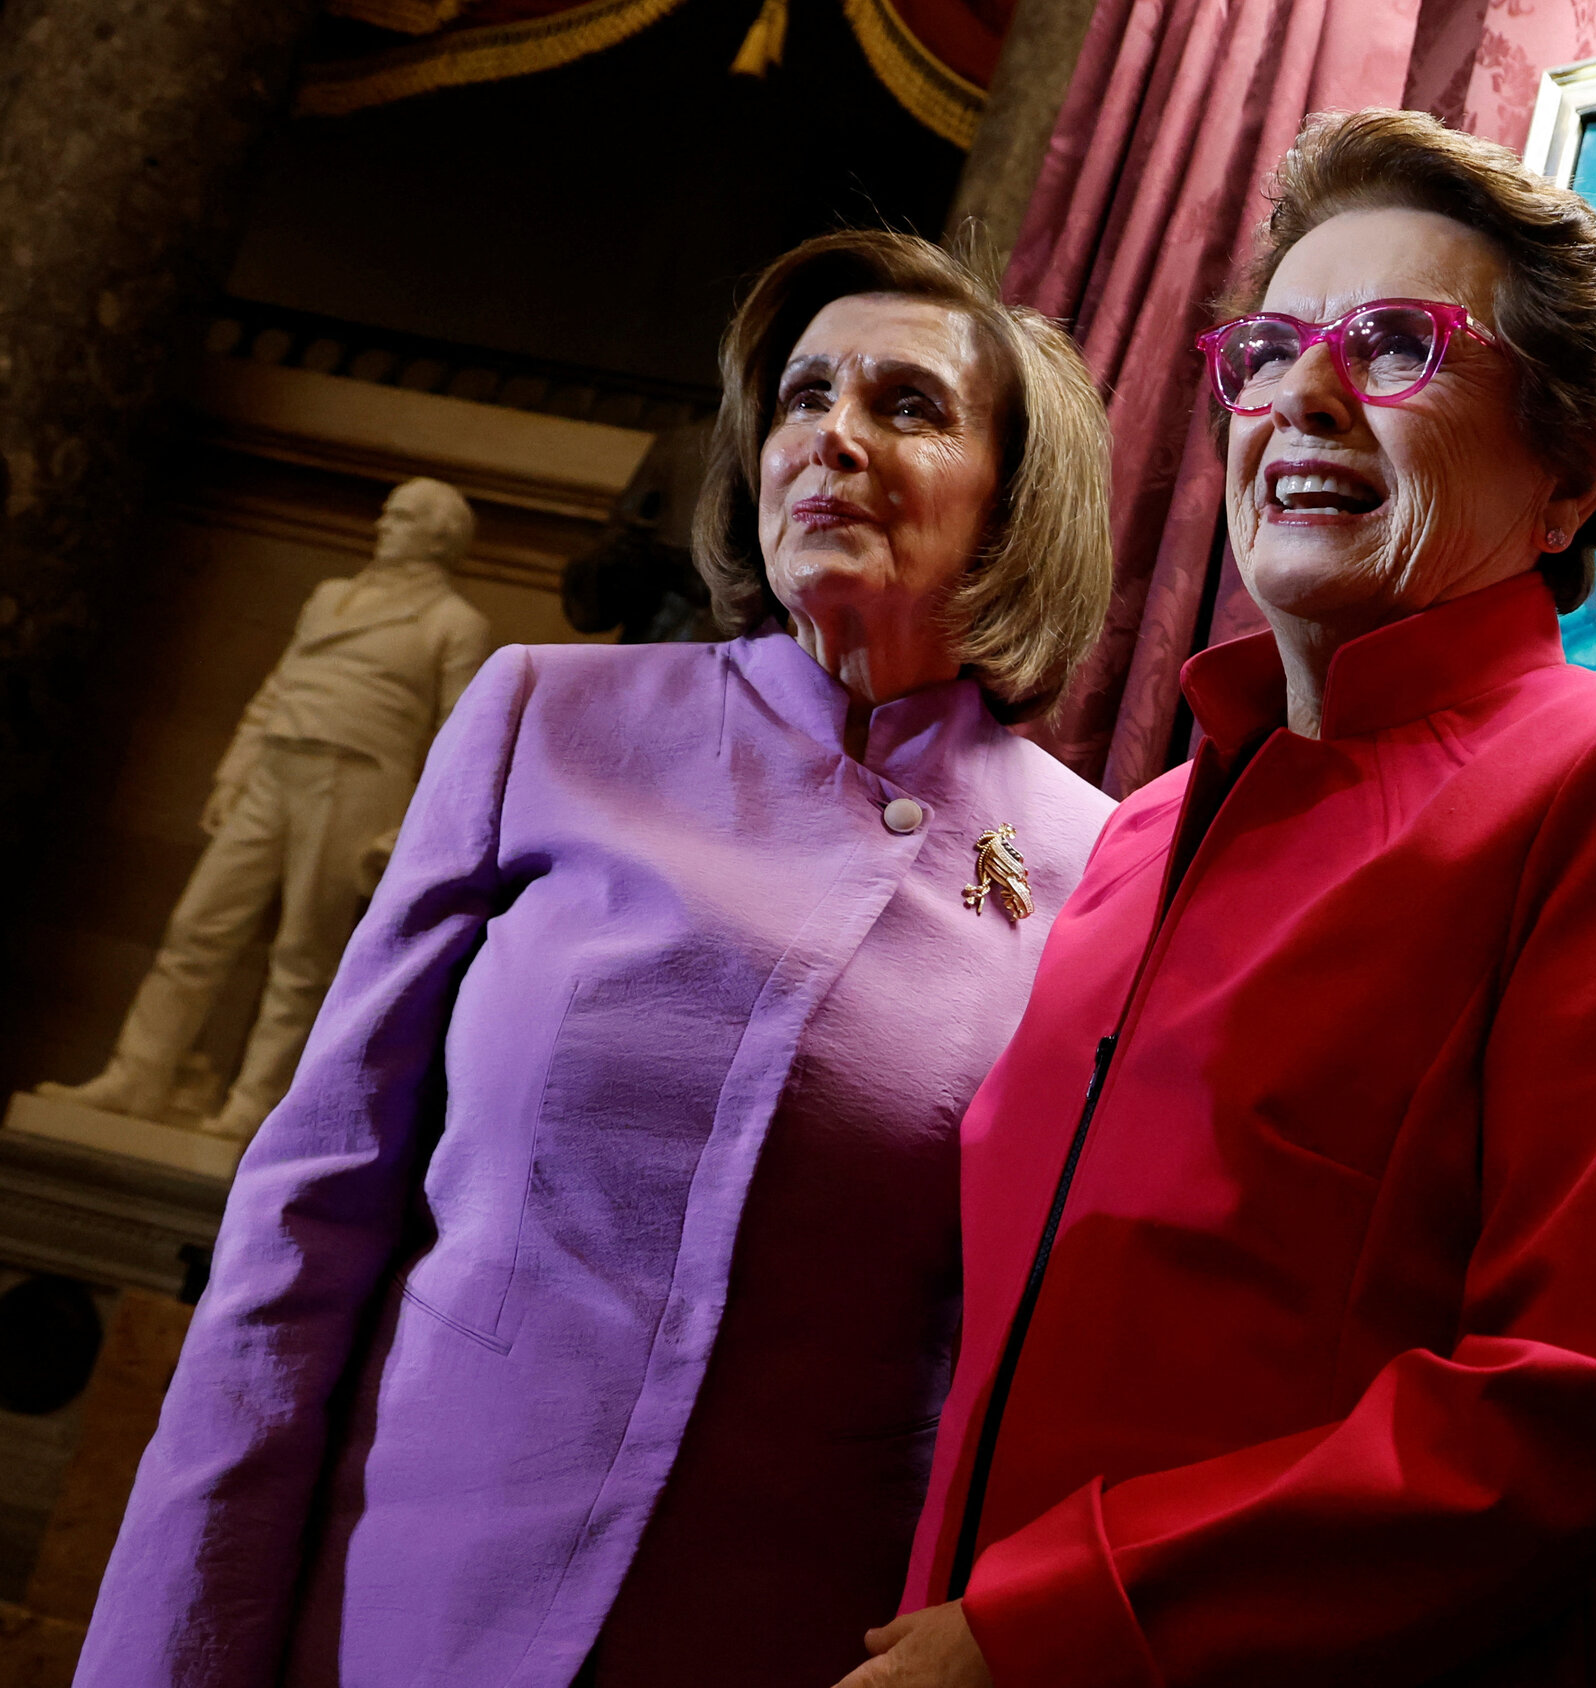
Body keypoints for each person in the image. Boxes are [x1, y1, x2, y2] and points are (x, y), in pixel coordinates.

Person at [76, 229, 1119, 1688]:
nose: (832, 436)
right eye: (805, 396)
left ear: (1016, 506)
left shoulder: (1103, 864)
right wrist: (170, 1651)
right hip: (400, 1607)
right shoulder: (541, 720)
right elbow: (305, 1221)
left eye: (907, 406)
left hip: (779, 1630)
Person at [846, 110, 1596, 1688]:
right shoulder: (1139, 833)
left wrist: (1047, 1629)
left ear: (1574, 479)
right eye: (1272, 346)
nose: (1304, 395)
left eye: (1397, 345)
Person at [40, 477, 491, 1139]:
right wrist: (233, 773)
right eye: (387, 515)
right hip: (275, 771)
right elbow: (276, 688)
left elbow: (461, 736)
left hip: (358, 783)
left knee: (305, 952)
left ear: (439, 536)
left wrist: (412, 828)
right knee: (197, 927)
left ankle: (258, 1100)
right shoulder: (330, 597)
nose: (382, 526)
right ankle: (138, 1075)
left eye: (400, 518)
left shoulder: (455, 623)